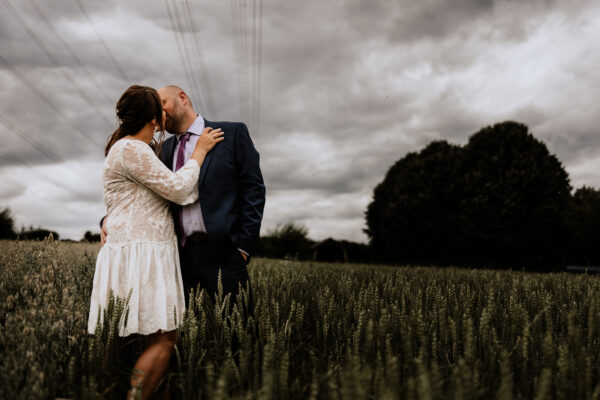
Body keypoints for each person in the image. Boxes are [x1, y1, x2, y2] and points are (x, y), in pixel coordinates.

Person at [87, 85, 224, 400]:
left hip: (138, 248)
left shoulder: (130, 148)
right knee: (165, 338)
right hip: (143, 251)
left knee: (142, 336)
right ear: (153, 118)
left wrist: (108, 220)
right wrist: (200, 151)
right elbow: (178, 190)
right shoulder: (132, 149)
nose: (166, 111)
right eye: (160, 107)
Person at [102, 85, 266, 319]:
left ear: (182, 98)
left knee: (239, 330)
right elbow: (139, 192)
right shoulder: (159, 150)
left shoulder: (232, 133)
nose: (159, 112)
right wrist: (108, 219)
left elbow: (253, 190)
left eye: (162, 103)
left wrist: (243, 248)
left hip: (226, 253)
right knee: (184, 331)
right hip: (178, 257)